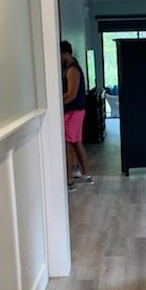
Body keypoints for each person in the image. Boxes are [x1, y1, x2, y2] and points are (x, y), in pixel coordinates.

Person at [60, 40, 94, 191]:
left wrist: (57, 104)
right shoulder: (70, 67)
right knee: (76, 142)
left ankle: (68, 181)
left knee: (67, 145)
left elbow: (71, 94)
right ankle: (86, 175)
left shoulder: (72, 70)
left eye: (59, 55)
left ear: (66, 54)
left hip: (73, 111)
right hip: (76, 111)